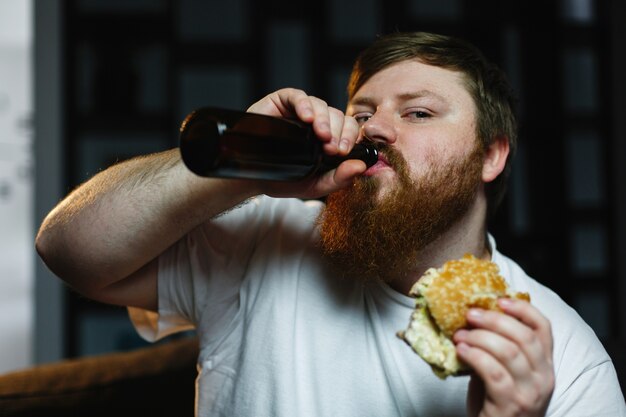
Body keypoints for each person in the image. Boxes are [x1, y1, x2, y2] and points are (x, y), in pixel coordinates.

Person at [35, 31, 625, 417]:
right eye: (362, 113)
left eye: (418, 113)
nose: (374, 130)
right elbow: (68, 249)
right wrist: (239, 162)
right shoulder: (265, 233)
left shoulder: (568, 363)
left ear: (492, 156)